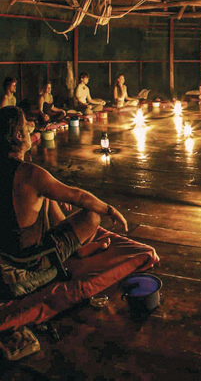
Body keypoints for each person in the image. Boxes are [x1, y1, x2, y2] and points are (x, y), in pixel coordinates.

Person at [0, 106, 128, 298]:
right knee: (92, 216)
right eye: (26, 125)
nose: (30, 127)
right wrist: (109, 210)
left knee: (46, 194)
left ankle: (78, 248)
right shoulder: (31, 174)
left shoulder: (22, 172)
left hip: (6, 251)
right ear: (18, 136)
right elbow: (79, 197)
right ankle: (76, 250)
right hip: (31, 259)